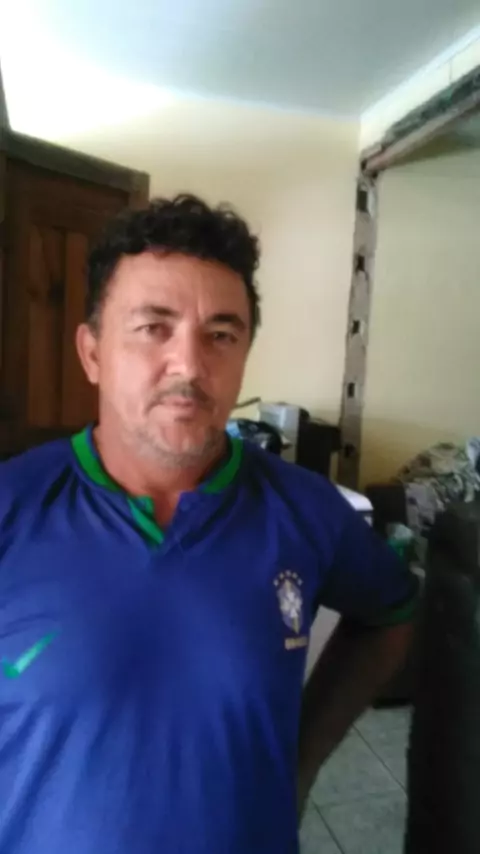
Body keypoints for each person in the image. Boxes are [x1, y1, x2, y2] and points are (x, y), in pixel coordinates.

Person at [0, 194, 418, 854]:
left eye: (221, 335)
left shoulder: (307, 511)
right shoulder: (14, 508)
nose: (190, 366)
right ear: (92, 353)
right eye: (153, 327)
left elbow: (390, 614)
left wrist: (302, 759)